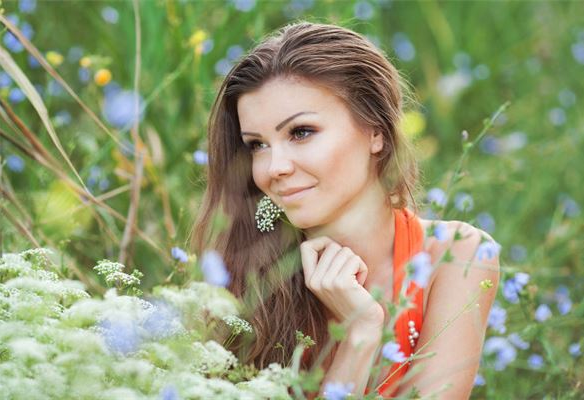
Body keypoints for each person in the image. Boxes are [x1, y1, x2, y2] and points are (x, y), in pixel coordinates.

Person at [190, 21, 500, 399]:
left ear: (375, 131)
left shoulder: (457, 255)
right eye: (257, 145)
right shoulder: (248, 280)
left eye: (301, 132)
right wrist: (359, 334)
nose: (274, 168)